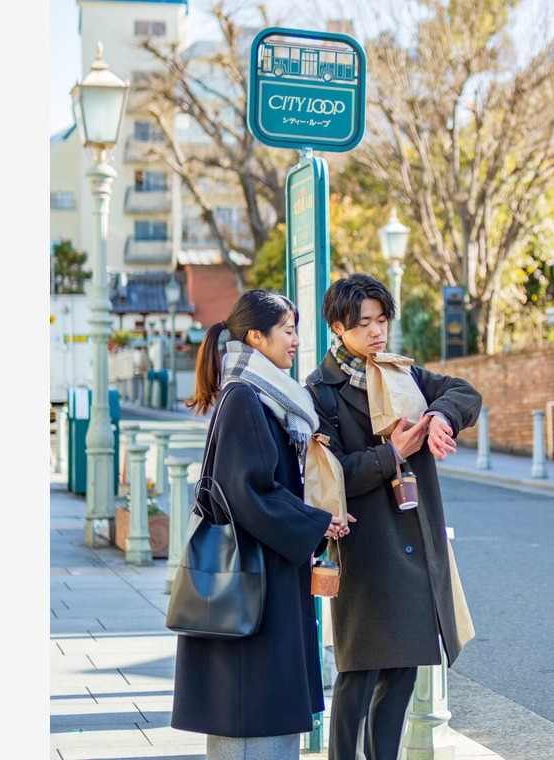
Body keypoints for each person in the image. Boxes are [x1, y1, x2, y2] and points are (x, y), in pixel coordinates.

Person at [304, 274, 482, 760]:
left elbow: (465, 392)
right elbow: (329, 475)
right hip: (363, 547)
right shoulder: (319, 391)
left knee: (402, 671)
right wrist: (392, 455)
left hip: (414, 544)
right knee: (357, 676)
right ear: (339, 327)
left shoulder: (403, 374)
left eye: (382, 320)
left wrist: (442, 417)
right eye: (365, 324)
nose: (377, 332)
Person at [172, 289, 350, 759]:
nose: (295, 341)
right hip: (256, 580)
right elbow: (247, 492)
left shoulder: (259, 396)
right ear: (256, 335)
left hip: (262, 574)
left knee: (255, 710)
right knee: (254, 711)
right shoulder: (246, 399)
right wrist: (316, 523)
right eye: (287, 330)